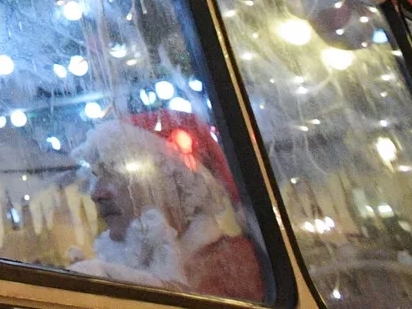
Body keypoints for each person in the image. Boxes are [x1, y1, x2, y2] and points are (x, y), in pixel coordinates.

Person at [69, 112, 265, 301]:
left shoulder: (234, 265)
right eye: (95, 177)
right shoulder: (112, 267)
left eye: (117, 175)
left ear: (175, 185)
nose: (97, 194)